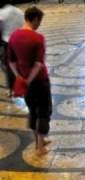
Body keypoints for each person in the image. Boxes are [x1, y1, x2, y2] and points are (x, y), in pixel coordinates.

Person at [8, 6, 52, 155]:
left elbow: (11, 61)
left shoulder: (13, 36)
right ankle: (41, 147)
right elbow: (39, 64)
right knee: (44, 112)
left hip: (25, 83)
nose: (39, 25)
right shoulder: (38, 38)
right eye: (39, 21)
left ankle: (38, 142)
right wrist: (29, 79)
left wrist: (20, 77)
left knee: (32, 111)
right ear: (34, 19)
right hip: (40, 81)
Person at [0, 2, 24, 97]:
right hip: (19, 41)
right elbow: (23, 25)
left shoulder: (2, 12)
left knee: (8, 67)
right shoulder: (19, 11)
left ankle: (11, 89)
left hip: (7, 43)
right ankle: (23, 86)